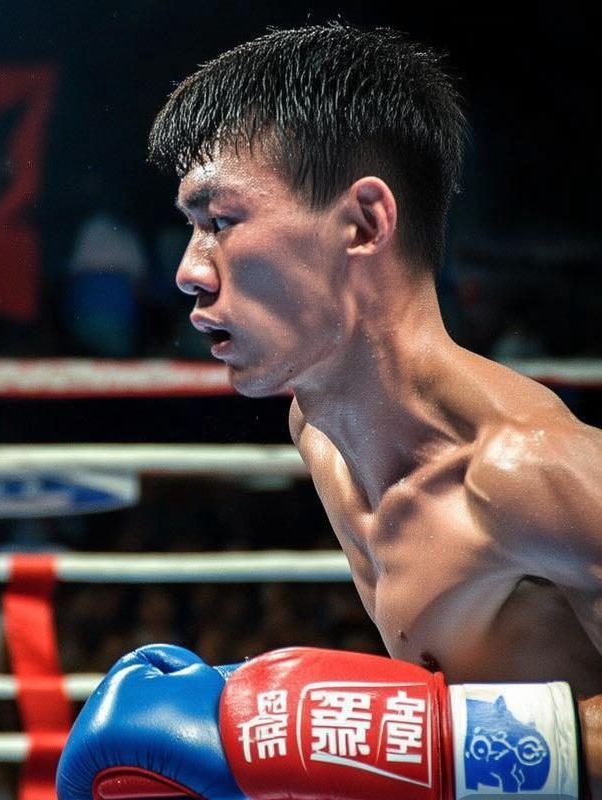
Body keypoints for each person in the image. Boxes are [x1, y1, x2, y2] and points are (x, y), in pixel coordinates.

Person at [58, 22, 601, 799]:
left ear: (364, 223)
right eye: (190, 228)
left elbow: (434, 742)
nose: (187, 271)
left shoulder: (532, 471)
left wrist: (420, 744)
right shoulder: (319, 433)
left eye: (220, 222)